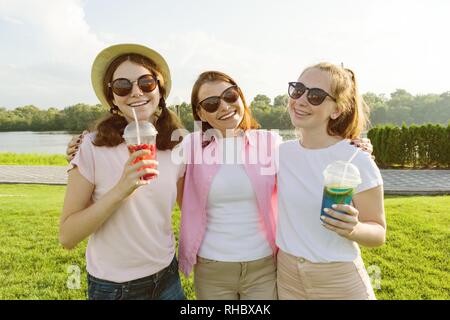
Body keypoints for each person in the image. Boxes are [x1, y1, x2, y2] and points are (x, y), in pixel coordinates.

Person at [59, 43, 186, 300]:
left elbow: (190, 207)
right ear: (113, 98)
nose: (136, 92)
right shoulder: (91, 147)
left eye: (146, 83)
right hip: (115, 288)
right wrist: (121, 189)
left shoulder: (178, 146)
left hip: (167, 277)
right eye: (123, 86)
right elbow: (67, 236)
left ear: (160, 90)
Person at [276, 62, 386, 300]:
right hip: (287, 278)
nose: (302, 100)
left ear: (335, 110)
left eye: (315, 96)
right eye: (298, 90)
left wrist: (354, 228)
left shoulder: (357, 158)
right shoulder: (279, 153)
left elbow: (378, 232)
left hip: (338, 281)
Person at [178, 71, 280, 300]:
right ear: (200, 113)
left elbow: (310, 156)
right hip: (212, 267)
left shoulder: (270, 142)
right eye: (212, 104)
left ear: (241, 97)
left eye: (230, 96)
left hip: (263, 265)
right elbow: (158, 168)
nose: (224, 106)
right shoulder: (191, 146)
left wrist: (350, 144)